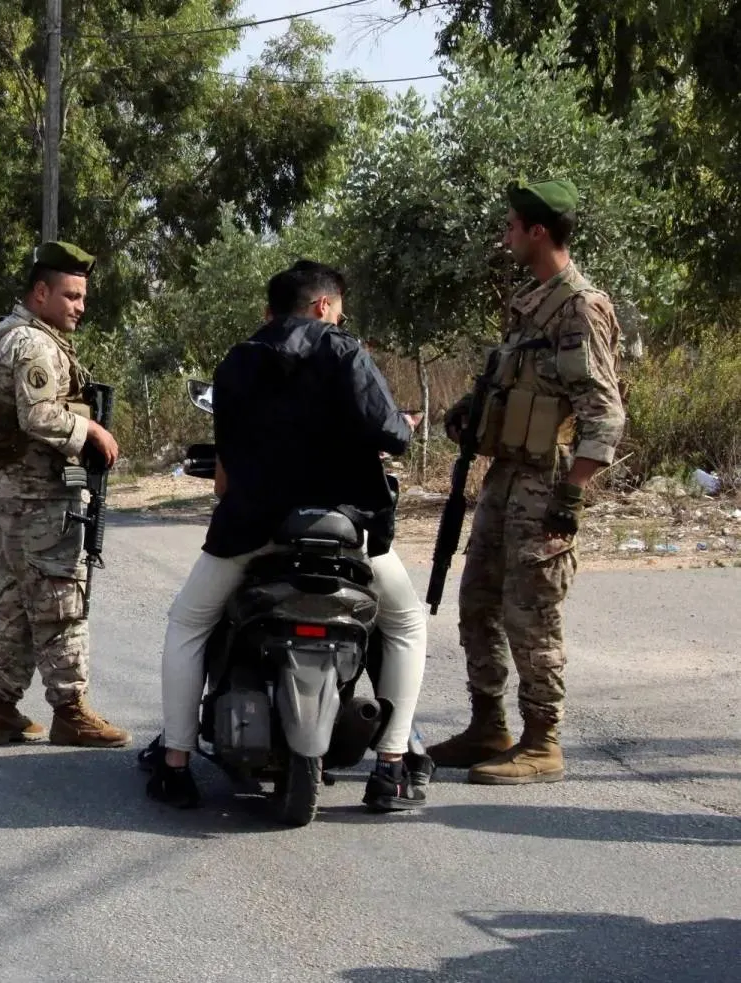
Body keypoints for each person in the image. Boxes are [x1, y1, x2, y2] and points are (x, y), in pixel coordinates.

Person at [143, 261, 430, 813]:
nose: (339, 317)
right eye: (338, 308)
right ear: (323, 305)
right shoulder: (344, 351)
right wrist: (404, 423)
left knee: (188, 622)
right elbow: (394, 437)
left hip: (255, 528)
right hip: (347, 530)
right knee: (406, 623)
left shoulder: (238, 361)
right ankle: (391, 768)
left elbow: (225, 473)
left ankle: (175, 765)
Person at [428, 179, 626, 784]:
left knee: (532, 613)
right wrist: (472, 411)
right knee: (478, 603)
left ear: (539, 231)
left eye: (513, 225)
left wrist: (570, 499)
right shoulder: (531, 302)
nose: (506, 234)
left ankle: (544, 742)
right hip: (505, 476)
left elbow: (604, 411)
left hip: (545, 483)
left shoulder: (579, 306)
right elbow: (518, 382)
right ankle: (488, 725)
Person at [0, 241, 129, 748]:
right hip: (37, 498)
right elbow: (38, 415)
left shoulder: (8, 332)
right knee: (60, 599)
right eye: (71, 295)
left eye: (82, 296)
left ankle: (0, 711)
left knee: (16, 601)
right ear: (41, 293)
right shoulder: (33, 345)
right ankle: (70, 710)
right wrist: (93, 435)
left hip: (10, 492)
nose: (80, 306)